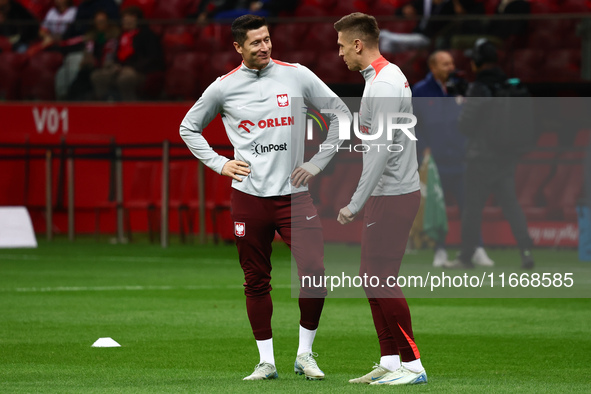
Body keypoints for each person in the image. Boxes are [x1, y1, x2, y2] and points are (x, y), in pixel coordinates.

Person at [180, 14, 350, 381]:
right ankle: (266, 361)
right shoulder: (223, 88)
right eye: (256, 42)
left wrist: (319, 161)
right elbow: (188, 127)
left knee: (315, 273)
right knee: (255, 280)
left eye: (268, 39)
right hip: (248, 198)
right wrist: (219, 163)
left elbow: (340, 114)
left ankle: (305, 354)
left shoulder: (297, 74)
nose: (265, 47)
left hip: (296, 196)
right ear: (238, 47)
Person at [334, 13, 427, 386]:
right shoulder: (381, 79)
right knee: (371, 278)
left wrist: (356, 201)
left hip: (393, 193)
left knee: (381, 279)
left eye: (342, 46)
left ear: (358, 44)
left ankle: (413, 365)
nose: (339, 54)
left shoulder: (385, 84)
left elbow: (381, 150)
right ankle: (390, 361)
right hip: (387, 193)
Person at [445, 38, 535, 269]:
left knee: (472, 208)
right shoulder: (508, 84)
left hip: (481, 158)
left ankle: (466, 257)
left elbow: (465, 124)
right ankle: (526, 252)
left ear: (477, 61)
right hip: (506, 156)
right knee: (511, 205)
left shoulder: (479, 87)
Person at [413, 50, 494, 267]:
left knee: (470, 207)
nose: (450, 67)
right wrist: (423, 149)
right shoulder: (420, 91)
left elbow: (475, 118)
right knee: (437, 209)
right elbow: (413, 125)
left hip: (463, 159)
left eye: (451, 63)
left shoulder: (463, 88)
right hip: (436, 162)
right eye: (445, 64)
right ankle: (439, 251)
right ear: (433, 68)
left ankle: (476, 248)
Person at [91, 6, 164, 100]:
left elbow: (154, 59)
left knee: (125, 78)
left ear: (137, 20)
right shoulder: (120, 36)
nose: (125, 22)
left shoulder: (147, 35)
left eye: (128, 19)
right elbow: (115, 55)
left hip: (140, 71)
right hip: (120, 69)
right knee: (98, 76)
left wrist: (132, 67)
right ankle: (104, 105)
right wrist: (114, 65)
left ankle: (130, 106)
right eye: (124, 19)